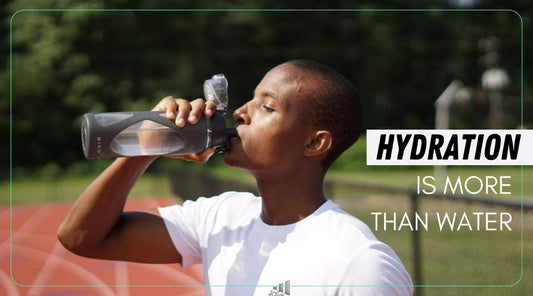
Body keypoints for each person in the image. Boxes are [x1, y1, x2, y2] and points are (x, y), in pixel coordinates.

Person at [58, 59, 413, 295]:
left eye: (267, 107)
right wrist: (149, 142)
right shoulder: (223, 217)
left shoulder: (359, 262)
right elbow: (81, 237)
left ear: (314, 143)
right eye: (250, 100)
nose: (241, 113)